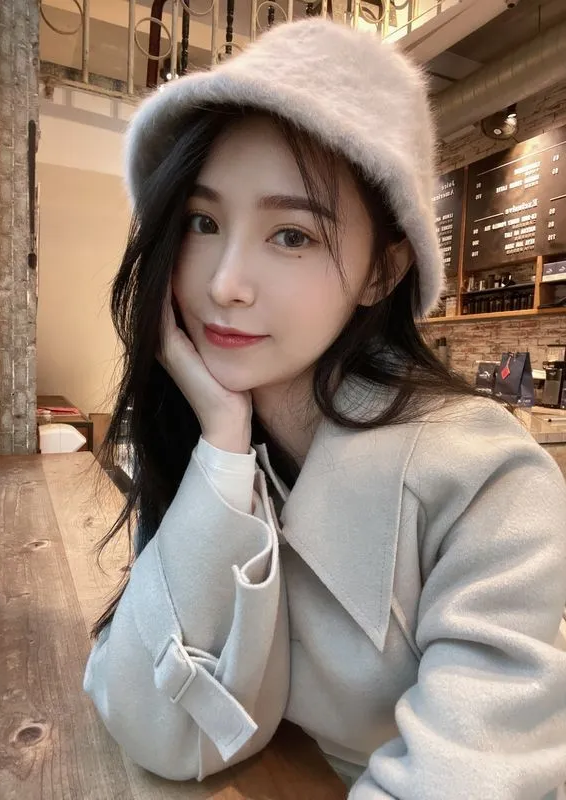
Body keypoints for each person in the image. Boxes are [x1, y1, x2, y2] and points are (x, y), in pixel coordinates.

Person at [83, 17, 566, 799]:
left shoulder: (484, 480)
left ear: (382, 272)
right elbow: (156, 730)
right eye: (203, 222)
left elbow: (472, 772)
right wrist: (222, 446)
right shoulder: (219, 436)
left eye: (292, 235)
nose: (225, 283)